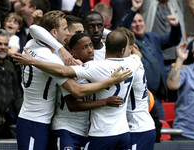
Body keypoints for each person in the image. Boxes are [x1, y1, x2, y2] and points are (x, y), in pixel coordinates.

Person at [15, 11, 130, 150]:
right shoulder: (50, 59)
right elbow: (76, 90)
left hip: (37, 119)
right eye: (65, 29)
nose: (68, 34)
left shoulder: (32, 43)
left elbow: (34, 29)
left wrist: (60, 49)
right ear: (53, 32)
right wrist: (109, 82)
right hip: (35, 121)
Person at [119, 12, 182, 120]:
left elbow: (173, 39)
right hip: (138, 97)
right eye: (134, 22)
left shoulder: (153, 37)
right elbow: (119, 31)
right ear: (129, 25)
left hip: (156, 97)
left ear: (145, 23)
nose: (138, 24)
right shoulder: (128, 42)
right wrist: (133, 10)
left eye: (140, 21)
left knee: (160, 129)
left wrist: (176, 26)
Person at [115, 27, 156, 149]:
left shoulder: (129, 66)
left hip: (139, 128)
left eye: (122, 45)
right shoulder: (135, 61)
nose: (118, 49)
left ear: (132, 49)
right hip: (131, 127)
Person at [167, 36, 194, 141]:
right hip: (186, 135)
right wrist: (180, 59)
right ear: (193, 52)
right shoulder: (185, 71)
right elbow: (172, 85)